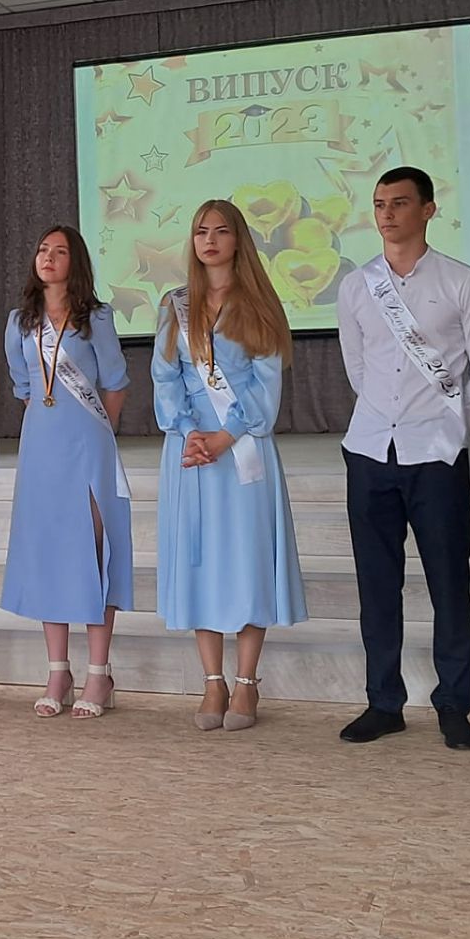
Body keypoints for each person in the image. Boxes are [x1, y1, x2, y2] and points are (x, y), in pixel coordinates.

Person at [336, 167, 470, 751]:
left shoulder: (462, 281)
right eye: (379, 204)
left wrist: (447, 426)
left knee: (448, 584)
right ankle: (383, 702)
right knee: (377, 585)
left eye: (400, 203)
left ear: (428, 210)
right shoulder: (356, 285)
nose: (387, 214)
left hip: (438, 456)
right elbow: (358, 368)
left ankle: (454, 705)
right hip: (369, 451)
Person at [152, 200, 306, 733]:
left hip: (242, 449)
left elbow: (266, 384)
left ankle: (246, 681)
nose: (210, 240)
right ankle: (212, 681)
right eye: (201, 231)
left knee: (246, 558)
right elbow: (165, 376)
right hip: (190, 450)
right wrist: (187, 431)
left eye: (221, 231)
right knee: (200, 560)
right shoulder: (174, 304)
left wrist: (225, 435)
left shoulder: (258, 303)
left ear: (239, 239)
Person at [1, 226, 132, 719]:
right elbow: (23, 387)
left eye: (59, 252)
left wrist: (101, 435)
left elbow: (115, 382)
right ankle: (58, 670)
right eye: (42, 250)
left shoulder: (96, 318)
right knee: (49, 551)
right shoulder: (20, 321)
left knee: (95, 551)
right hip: (42, 448)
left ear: (75, 262)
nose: (48, 258)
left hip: (89, 444)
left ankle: (99, 673)